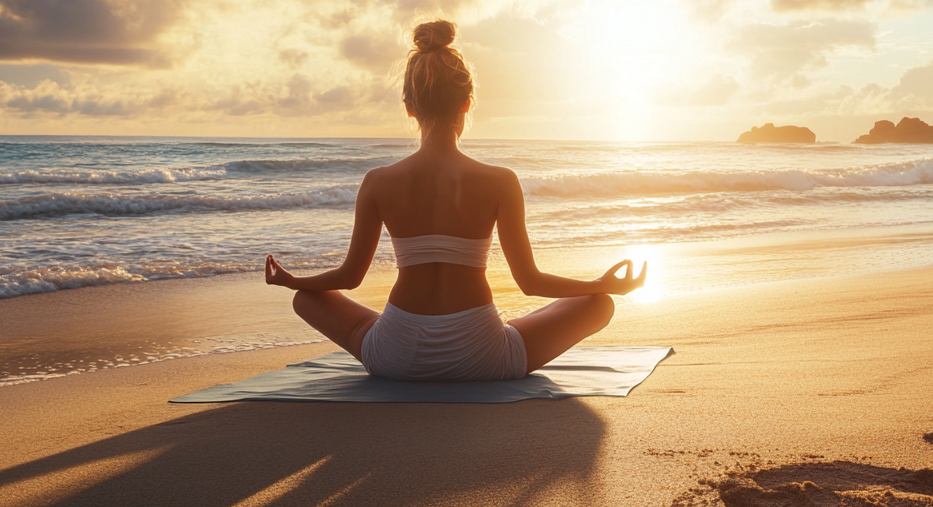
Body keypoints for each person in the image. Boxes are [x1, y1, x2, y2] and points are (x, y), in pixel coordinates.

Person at [264, 19, 646, 380]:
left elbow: (349, 278)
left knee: (306, 299)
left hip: (395, 357)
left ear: (409, 107)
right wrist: (601, 283)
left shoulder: (378, 182)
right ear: (467, 103)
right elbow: (530, 282)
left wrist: (293, 280)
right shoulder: (500, 181)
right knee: (599, 304)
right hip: (484, 356)